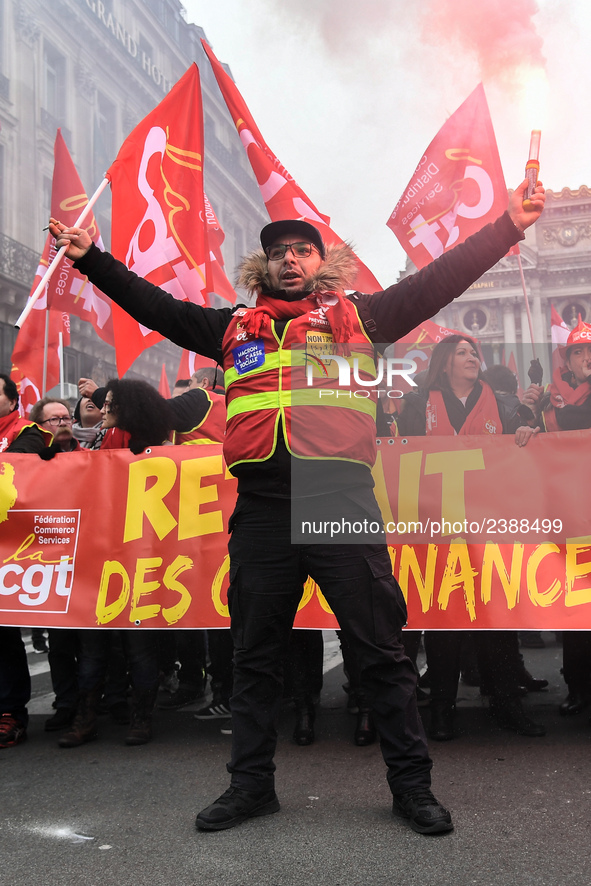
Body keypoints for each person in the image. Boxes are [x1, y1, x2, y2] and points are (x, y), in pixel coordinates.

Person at [49, 178, 545, 836]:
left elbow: (438, 280)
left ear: (320, 263)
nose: (289, 258)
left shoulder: (361, 318)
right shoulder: (228, 330)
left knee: (379, 654)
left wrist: (507, 225)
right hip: (261, 507)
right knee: (254, 660)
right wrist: (90, 258)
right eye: (278, 251)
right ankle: (250, 786)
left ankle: (411, 786)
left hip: (336, 500)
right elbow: (153, 305)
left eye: (302, 251)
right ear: (263, 266)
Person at [395, 336, 546, 740]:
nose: (471, 357)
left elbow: (526, 441)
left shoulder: (502, 403)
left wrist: (529, 430)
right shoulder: (416, 404)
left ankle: (506, 705)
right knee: (444, 622)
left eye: (474, 352)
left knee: (496, 620)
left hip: (489, 526)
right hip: (437, 528)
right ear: (444, 363)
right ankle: (442, 709)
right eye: (461, 352)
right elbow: (397, 452)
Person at [58, 379, 172, 748]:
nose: (102, 410)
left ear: (129, 410)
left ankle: (138, 718)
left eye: (109, 405)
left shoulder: (144, 447)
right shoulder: (95, 440)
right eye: (102, 404)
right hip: (96, 556)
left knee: (135, 647)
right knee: (94, 647)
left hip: (134, 560)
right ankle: (88, 718)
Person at [521, 317, 591, 716]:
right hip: (569, 516)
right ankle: (578, 686)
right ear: (567, 360)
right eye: (577, 352)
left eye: (589, 351)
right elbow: (527, 439)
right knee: (577, 609)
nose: (584, 358)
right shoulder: (549, 399)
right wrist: (527, 423)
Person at [0, 374, 51, 748]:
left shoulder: (27, 432)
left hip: (11, 545)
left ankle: (11, 712)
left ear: (10, 398)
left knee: (3, 635)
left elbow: (19, 468)